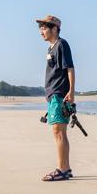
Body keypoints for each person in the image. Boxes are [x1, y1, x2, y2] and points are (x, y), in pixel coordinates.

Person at [36, 14, 75, 181]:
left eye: (44, 28)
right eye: (40, 28)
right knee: (58, 132)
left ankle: (62, 169)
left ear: (54, 29)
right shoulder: (51, 48)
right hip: (54, 96)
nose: (41, 31)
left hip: (59, 94)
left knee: (58, 132)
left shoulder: (61, 45)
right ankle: (65, 168)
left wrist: (71, 91)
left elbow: (70, 69)